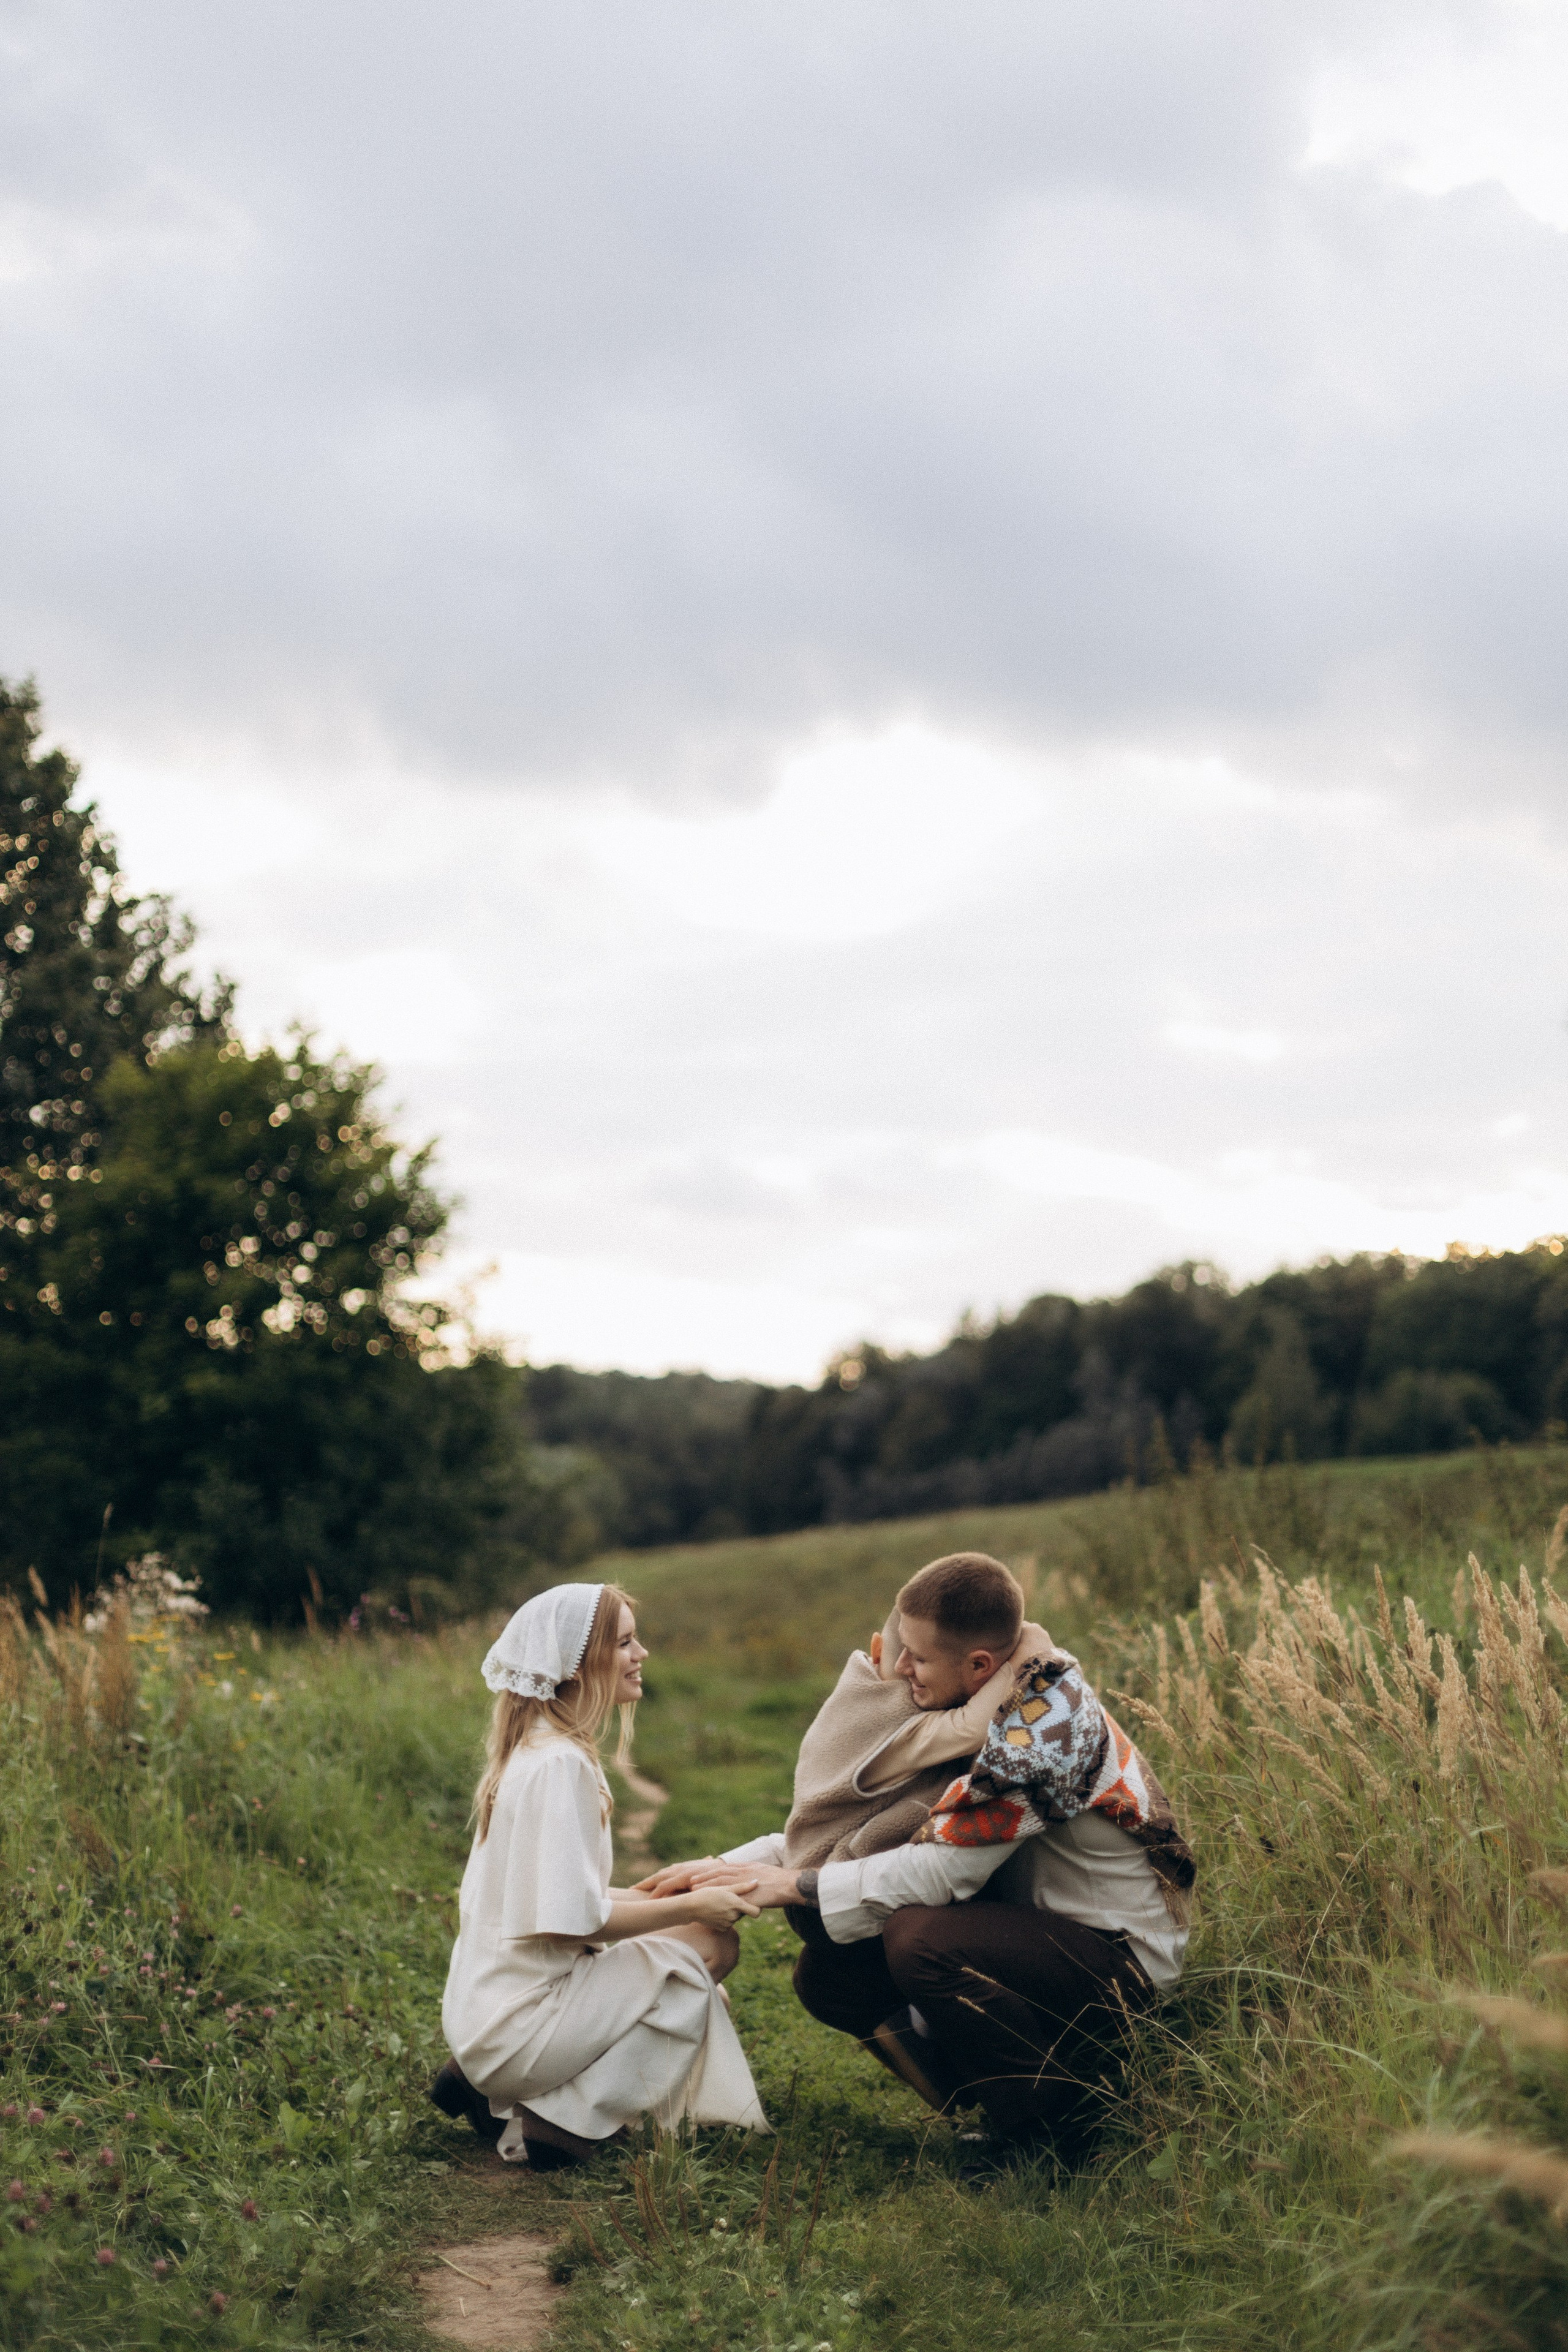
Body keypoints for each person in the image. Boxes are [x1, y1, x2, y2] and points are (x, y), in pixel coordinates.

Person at [641, 1551, 1194, 2163]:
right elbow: (874, 1836)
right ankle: (996, 2093)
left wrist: (793, 1887)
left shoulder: (1039, 1732)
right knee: (830, 1976)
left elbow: (943, 1870)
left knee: (920, 1938)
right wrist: (721, 1870)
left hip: (1120, 1960)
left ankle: (1051, 2133)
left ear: (979, 1665)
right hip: (1038, 1929)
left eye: (919, 1657)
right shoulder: (990, 1703)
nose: (902, 1668)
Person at [431, 1581, 769, 2168]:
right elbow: (568, 1925)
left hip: (484, 2016)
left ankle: (480, 2087)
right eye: (624, 1643)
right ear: (577, 1663)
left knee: (705, 1987)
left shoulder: (533, 1749)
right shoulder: (562, 1765)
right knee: (710, 1949)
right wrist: (690, 1908)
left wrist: (647, 1893)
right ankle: (563, 2120)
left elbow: (552, 1898)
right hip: (515, 2026)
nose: (641, 1655)